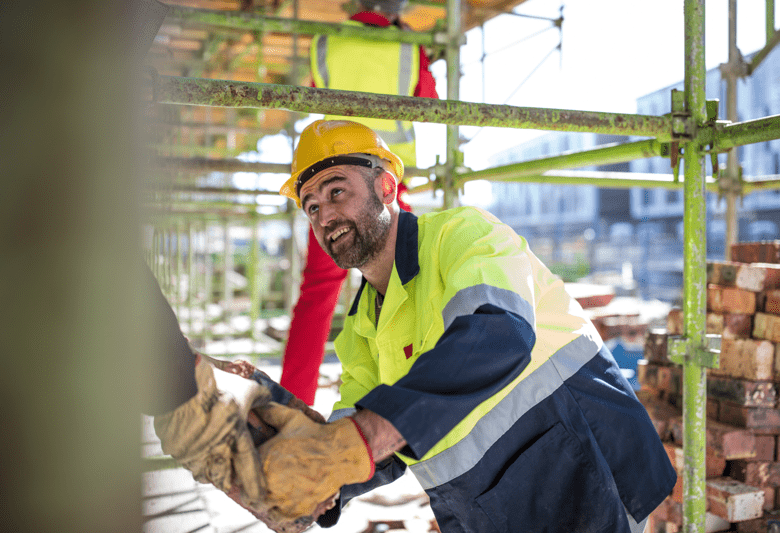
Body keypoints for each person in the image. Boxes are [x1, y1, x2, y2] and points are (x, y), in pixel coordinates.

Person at [257, 119, 677, 533]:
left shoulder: (463, 237)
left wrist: (367, 434)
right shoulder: (361, 326)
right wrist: (317, 485)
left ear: (385, 187)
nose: (325, 215)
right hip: (492, 506)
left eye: (337, 191)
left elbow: (497, 335)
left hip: (585, 470)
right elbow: (361, 435)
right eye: (312, 206)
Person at [279, 0, 438, 406]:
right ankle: (412, 393)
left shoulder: (325, 42)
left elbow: (314, 98)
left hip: (333, 183)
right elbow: (431, 102)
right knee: (407, 285)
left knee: (317, 294)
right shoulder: (407, 46)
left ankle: (292, 404)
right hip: (385, 187)